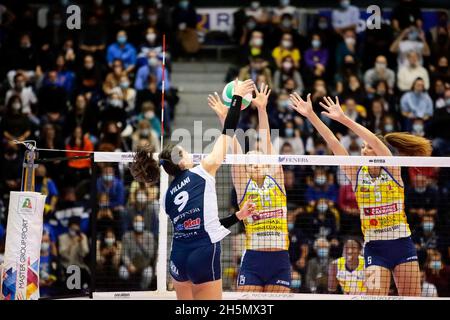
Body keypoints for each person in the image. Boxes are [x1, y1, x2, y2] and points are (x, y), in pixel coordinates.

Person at [290, 92, 432, 296]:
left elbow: (373, 139)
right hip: (375, 248)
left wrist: (344, 119)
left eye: (369, 148)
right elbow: (332, 141)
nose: (365, 151)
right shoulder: (356, 174)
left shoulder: (392, 169)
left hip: (402, 245)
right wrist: (311, 115)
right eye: (363, 148)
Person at [129, 79, 256, 300]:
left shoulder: (168, 197)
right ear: (179, 161)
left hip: (179, 257)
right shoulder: (202, 171)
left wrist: (238, 216)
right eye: (184, 151)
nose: (188, 153)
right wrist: (236, 98)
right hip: (202, 253)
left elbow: (204, 224)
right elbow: (228, 132)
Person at [208, 83, 291, 293]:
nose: (255, 161)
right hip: (253, 258)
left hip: (280, 259)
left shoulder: (277, 180)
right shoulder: (244, 185)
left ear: (267, 163)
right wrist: (224, 117)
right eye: (249, 160)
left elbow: (265, 141)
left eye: (259, 158)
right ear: (245, 167)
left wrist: (262, 109)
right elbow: (233, 148)